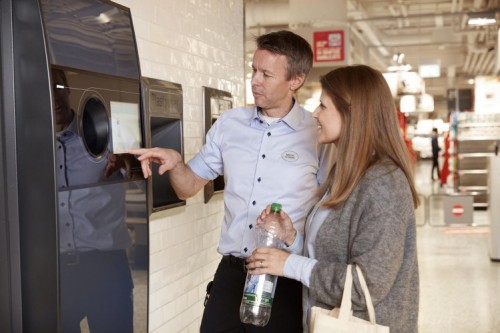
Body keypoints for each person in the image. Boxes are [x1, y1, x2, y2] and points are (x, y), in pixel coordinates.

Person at [129, 30, 334, 332]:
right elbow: (187, 187)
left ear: (296, 80)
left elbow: (328, 219)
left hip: (284, 279)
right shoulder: (230, 124)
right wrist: (175, 162)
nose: (255, 80)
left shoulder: (316, 135)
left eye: (266, 74)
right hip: (231, 274)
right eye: (253, 70)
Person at [247, 65, 420, 333]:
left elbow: (366, 287)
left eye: (323, 106)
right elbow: (334, 255)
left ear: (353, 114)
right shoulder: (347, 173)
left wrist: (288, 265)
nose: (315, 114)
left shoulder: (383, 183)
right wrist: (292, 238)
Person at [52, 67, 140, 333]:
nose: (54, 98)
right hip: (56, 271)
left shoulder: (107, 133)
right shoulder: (28, 144)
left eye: (57, 88)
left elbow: (142, 171)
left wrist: (128, 164)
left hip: (106, 267)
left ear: (68, 90)